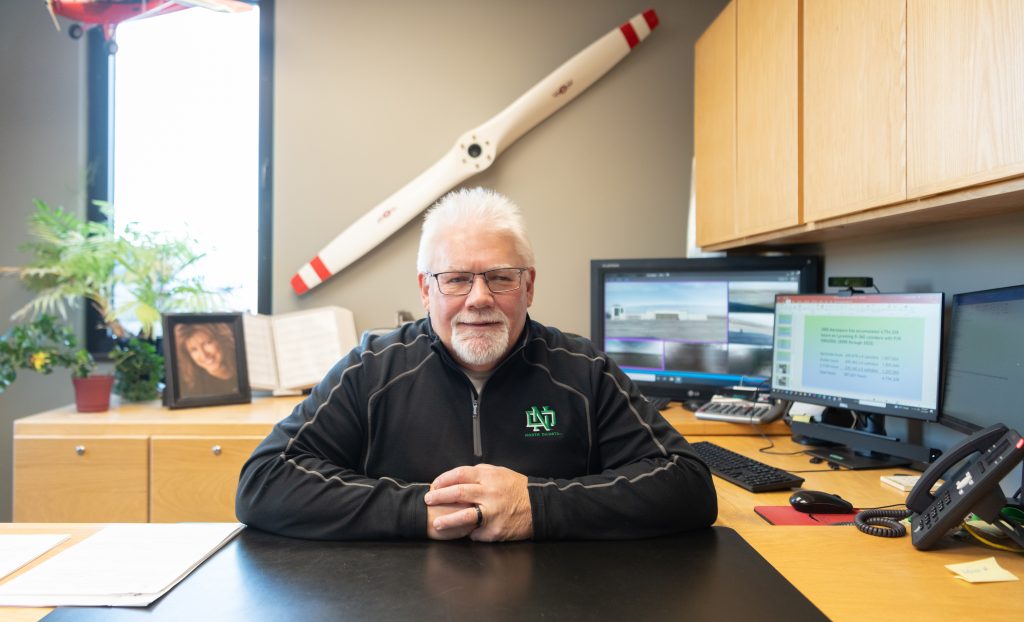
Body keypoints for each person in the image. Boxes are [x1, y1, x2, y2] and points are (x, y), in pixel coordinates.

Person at [235, 187, 716, 541]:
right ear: (426, 290)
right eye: (456, 279)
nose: (479, 298)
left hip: (561, 610)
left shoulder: (584, 371)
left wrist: (536, 506)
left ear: (529, 287)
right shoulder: (372, 369)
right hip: (398, 612)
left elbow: (687, 484)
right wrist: (423, 511)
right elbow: (264, 480)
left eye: (500, 278)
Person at [175, 322, 238, 397]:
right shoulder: (193, 389)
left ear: (221, 339)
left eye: (207, 343)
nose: (204, 355)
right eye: (194, 350)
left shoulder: (242, 363)